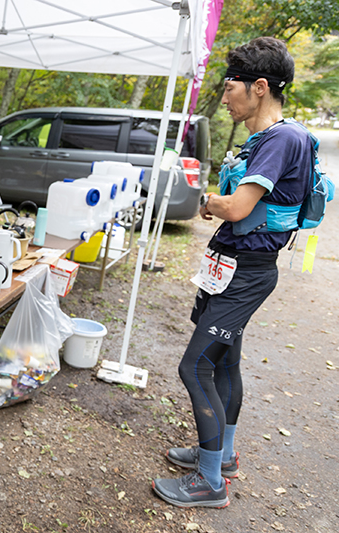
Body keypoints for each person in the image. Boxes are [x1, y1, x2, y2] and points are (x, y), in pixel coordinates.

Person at [152, 37, 312, 509]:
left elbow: (238, 207)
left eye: (229, 88)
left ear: (259, 87)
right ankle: (221, 457)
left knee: (194, 366)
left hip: (245, 274)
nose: (224, 98)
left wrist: (209, 201)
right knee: (223, 364)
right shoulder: (270, 139)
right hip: (235, 269)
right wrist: (219, 204)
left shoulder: (281, 139)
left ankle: (209, 483)